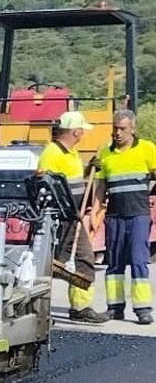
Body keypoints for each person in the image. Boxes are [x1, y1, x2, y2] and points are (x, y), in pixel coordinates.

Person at [37, 110, 107, 322]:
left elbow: (73, 181)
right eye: (81, 131)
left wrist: (88, 170)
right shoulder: (52, 153)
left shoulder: (72, 153)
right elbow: (44, 183)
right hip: (60, 219)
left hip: (72, 217)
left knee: (83, 259)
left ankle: (80, 307)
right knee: (54, 263)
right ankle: (39, 308)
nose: (83, 135)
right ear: (75, 131)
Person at [95, 109, 156, 325]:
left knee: (139, 261)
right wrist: (95, 210)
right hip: (114, 216)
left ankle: (142, 310)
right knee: (114, 264)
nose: (117, 133)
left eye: (122, 128)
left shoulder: (147, 149)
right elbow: (101, 185)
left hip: (138, 215)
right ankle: (114, 308)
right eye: (115, 128)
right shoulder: (106, 154)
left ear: (133, 128)